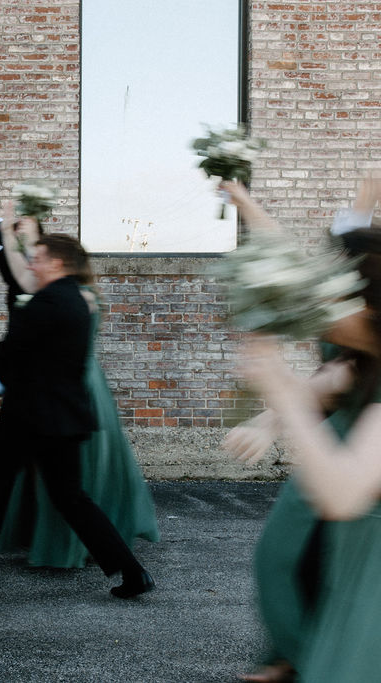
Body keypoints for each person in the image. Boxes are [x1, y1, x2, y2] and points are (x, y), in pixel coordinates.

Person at [239, 232, 381, 683]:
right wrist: (267, 417)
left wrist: (279, 388)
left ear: (371, 305)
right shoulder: (356, 363)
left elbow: (343, 495)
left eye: (332, 293)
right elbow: (317, 389)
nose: (317, 305)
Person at [0, 234, 154, 598]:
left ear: (58, 263)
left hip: (32, 421)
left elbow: (10, 352)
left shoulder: (48, 303)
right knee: (72, 499)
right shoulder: (75, 300)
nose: (32, 264)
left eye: (39, 258)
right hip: (63, 420)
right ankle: (132, 573)